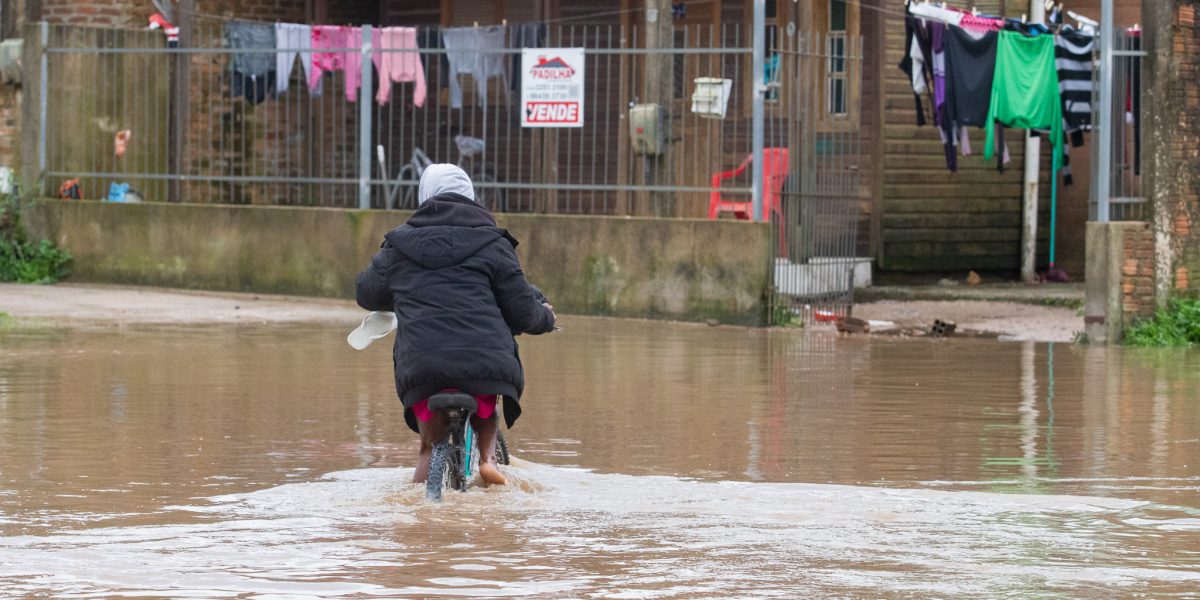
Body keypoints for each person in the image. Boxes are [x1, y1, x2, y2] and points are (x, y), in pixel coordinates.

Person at [355, 164, 556, 486]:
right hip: (485, 363)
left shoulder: (397, 246)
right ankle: (489, 461)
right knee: (486, 400)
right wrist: (546, 318)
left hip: (422, 364)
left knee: (427, 449)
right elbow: (521, 310)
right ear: (470, 197)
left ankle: (420, 499)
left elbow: (367, 294)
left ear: (424, 196)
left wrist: (405, 295)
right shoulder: (492, 243)